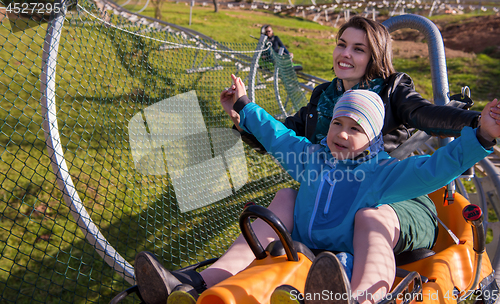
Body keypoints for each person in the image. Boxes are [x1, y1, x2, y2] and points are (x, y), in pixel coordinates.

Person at [133, 16, 500, 304]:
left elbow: (429, 133)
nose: (346, 54)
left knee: (370, 217)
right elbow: (281, 136)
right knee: (283, 198)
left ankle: (365, 296)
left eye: (358, 49)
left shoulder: (390, 94)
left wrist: (478, 127)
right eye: (342, 44)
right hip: (327, 202)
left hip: (389, 197)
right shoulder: (323, 107)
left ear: (374, 56)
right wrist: (244, 110)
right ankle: (202, 281)